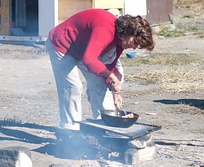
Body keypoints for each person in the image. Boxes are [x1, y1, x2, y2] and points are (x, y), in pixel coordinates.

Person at [46, 9, 155, 140]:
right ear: (130, 32)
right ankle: (69, 130)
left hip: (83, 50)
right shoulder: (106, 29)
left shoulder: (120, 41)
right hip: (62, 45)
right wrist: (111, 76)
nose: (134, 47)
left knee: (99, 84)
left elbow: (108, 65)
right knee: (72, 86)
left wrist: (114, 89)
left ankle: (105, 126)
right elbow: (89, 59)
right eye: (135, 42)